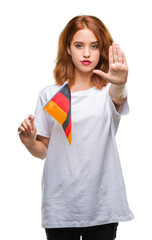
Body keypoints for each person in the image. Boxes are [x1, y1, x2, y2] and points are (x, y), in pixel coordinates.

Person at [18, 15, 135, 240]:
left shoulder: (107, 93)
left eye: (94, 46)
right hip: (61, 205)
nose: (87, 53)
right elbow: (44, 150)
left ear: (102, 50)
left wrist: (119, 82)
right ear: (68, 49)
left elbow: (118, 96)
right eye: (79, 45)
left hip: (103, 205)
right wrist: (30, 142)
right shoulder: (50, 94)